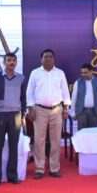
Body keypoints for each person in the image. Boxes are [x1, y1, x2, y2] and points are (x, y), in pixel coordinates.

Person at [26, 49, 71, 179]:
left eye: (50, 56)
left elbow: (65, 91)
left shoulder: (60, 73)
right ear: (41, 59)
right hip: (39, 110)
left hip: (57, 110)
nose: (48, 59)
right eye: (45, 57)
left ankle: (54, 168)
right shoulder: (35, 73)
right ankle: (39, 169)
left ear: (54, 59)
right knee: (39, 140)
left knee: (56, 140)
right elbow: (29, 92)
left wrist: (66, 108)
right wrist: (30, 109)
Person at [0, 52, 27, 186]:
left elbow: (23, 98)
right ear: (4, 62)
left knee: (14, 147)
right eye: (9, 60)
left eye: (14, 60)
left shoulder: (21, 78)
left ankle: (12, 176)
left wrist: (23, 115)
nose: (11, 62)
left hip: (15, 115)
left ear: (16, 63)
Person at [70, 63, 97, 130]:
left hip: (95, 112)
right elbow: (74, 97)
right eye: (82, 73)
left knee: (93, 133)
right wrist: (72, 112)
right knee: (82, 133)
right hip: (81, 112)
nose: (83, 75)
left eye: (85, 73)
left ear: (91, 71)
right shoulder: (78, 82)